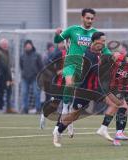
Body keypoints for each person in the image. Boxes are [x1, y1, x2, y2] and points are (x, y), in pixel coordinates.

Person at [52, 32, 128, 147]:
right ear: (95, 41)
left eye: (104, 41)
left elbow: (114, 60)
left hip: (98, 88)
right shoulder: (86, 53)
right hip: (85, 89)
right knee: (74, 115)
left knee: (118, 104)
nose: (104, 43)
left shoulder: (103, 53)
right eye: (102, 41)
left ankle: (103, 129)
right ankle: (58, 131)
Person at [51, 8, 111, 138]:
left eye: (92, 18)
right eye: (87, 18)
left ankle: (67, 121)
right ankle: (65, 110)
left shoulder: (95, 34)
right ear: (82, 18)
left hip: (85, 69)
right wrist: (56, 34)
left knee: (78, 103)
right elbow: (57, 41)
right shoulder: (73, 30)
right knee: (69, 84)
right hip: (71, 63)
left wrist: (112, 57)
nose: (89, 20)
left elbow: (105, 50)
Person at [20, 40, 43, 114]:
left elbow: (41, 66)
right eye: (26, 46)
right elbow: (21, 66)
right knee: (24, 93)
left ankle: (38, 109)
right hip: (25, 77)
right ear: (24, 47)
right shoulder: (22, 56)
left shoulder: (37, 55)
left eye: (29, 45)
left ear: (32, 46)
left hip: (35, 77)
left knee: (36, 93)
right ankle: (25, 109)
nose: (28, 47)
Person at [0, 38, 16, 113]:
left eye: (6, 44)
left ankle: (8, 108)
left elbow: (10, 65)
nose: (5, 45)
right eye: (4, 44)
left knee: (9, 93)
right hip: (0, 76)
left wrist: (12, 76)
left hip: (8, 76)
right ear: (0, 45)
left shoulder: (8, 52)